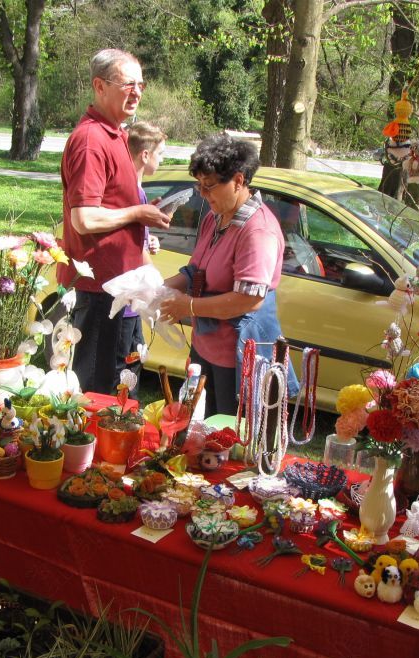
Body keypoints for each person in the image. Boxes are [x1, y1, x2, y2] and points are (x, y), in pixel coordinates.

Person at [57, 49, 170, 394]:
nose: (136, 92)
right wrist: (137, 214)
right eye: (127, 84)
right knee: (99, 392)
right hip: (101, 293)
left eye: (141, 85)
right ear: (100, 86)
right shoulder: (91, 140)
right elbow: (84, 218)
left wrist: (141, 225)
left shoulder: (118, 135)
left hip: (124, 290)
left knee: (123, 388)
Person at [158, 133, 294, 417]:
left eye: (209, 186)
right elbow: (195, 271)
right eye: (199, 186)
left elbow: (249, 299)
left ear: (239, 180)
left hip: (239, 355)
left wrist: (188, 306)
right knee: (197, 427)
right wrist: (156, 289)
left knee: (227, 433)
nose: (203, 194)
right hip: (205, 347)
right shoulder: (215, 216)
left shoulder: (258, 231)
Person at [116, 121, 167, 395]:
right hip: (125, 301)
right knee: (123, 371)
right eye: (161, 154)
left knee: (134, 362)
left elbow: (136, 239)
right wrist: (159, 286)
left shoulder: (140, 191)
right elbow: (129, 248)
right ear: (145, 155)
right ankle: (120, 414)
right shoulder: (129, 192)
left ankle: (128, 412)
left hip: (133, 304)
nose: (163, 160)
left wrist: (149, 240)